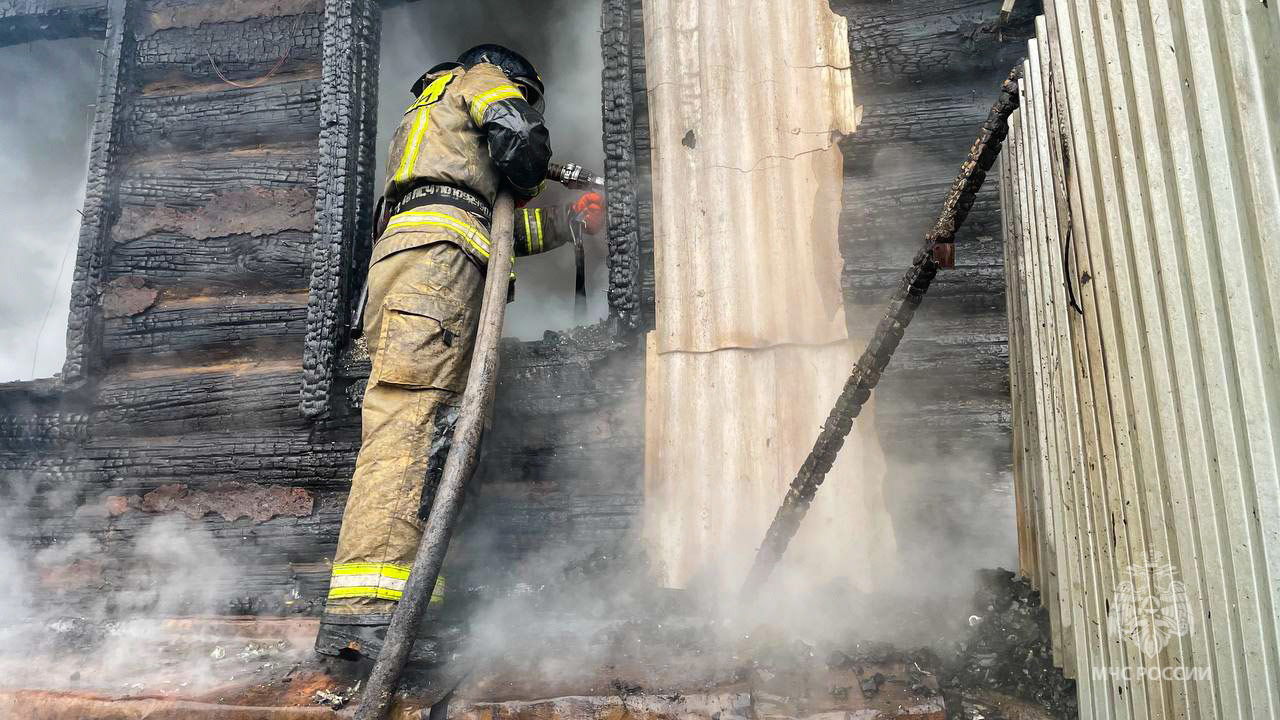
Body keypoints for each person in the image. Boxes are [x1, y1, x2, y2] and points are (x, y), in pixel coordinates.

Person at [314, 43, 605, 661]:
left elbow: (492, 227)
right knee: (412, 426)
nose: (522, 103)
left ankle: (407, 611)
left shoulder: (442, 153)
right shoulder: (480, 79)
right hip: (434, 272)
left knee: (437, 437)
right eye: (525, 95)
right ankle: (368, 616)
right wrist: (531, 171)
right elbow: (521, 139)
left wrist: (568, 221)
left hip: (432, 269)